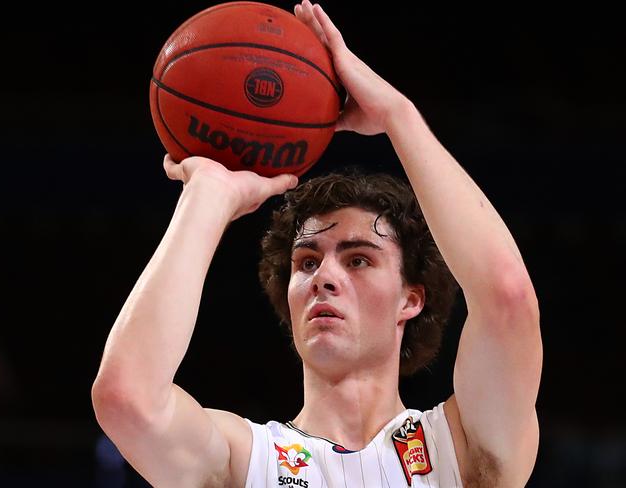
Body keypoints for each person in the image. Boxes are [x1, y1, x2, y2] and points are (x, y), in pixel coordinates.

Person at [91, 1, 542, 487]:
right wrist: (208, 196)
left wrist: (397, 115)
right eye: (306, 262)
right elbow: (126, 398)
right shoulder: (244, 462)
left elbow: (507, 300)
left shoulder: (459, 450)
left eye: (359, 259)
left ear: (410, 299)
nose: (324, 277)